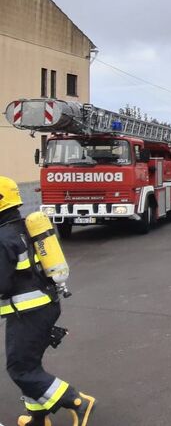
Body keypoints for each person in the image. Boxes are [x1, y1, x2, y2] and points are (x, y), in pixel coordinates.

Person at [0, 176, 96, 426]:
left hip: (29, 312)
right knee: (29, 365)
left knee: (20, 369)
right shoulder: (21, 227)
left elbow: (2, 285)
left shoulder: (3, 238)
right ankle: (38, 419)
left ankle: (78, 402)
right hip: (43, 306)